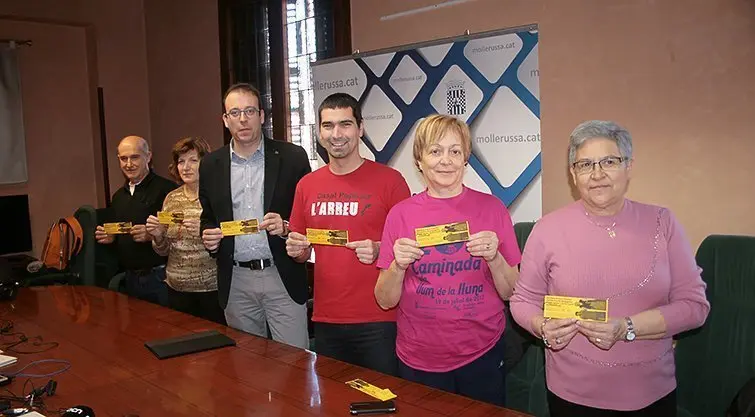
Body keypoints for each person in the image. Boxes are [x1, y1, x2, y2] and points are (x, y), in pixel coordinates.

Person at [509, 120, 711, 416]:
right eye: (585, 164)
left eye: (609, 161)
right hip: (571, 395)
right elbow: (522, 300)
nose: (597, 174)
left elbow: (695, 307)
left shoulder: (662, 222)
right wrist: (542, 326)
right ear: (573, 173)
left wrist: (626, 328)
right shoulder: (547, 229)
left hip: (651, 392)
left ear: (628, 166)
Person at [374, 114, 521, 406]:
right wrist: (397, 266)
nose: (446, 160)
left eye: (455, 151)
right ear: (419, 160)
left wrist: (494, 258)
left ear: (466, 159)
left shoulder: (492, 209)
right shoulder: (401, 215)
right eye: (435, 151)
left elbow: (511, 292)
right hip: (418, 358)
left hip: (482, 353)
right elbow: (385, 299)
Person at [286, 93, 411, 375]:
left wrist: (380, 249)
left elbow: (410, 247)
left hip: (380, 319)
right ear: (318, 131)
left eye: (345, 124)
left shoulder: (390, 181)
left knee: (384, 401)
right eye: (328, 126)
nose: (336, 134)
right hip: (326, 318)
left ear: (360, 128)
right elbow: (301, 248)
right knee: (334, 403)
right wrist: (298, 251)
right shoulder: (307, 185)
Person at [199, 83, 312, 348]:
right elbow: (208, 216)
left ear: (262, 115)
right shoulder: (211, 165)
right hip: (236, 280)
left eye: (249, 111)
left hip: (281, 274)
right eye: (235, 113)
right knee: (248, 369)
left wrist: (286, 226)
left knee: (295, 365)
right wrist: (209, 236)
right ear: (225, 120)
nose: (243, 119)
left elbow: (310, 216)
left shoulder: (292, 157)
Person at [145, 137, 225, 324]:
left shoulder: (217, 196)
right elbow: (164, 250)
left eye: (193, 160)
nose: (185, 167)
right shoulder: (171, 199)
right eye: (181, 161)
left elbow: (228, 242)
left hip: (211, 290)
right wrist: (157, 236)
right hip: (176, 289)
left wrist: (204, 230)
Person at [95, 136, 177, 305]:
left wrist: (153, 235)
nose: (128, 164)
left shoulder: (167, 191)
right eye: (123, 159)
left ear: (148, 157)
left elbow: (179, 231)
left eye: (134, 157)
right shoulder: (118, 197)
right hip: (130, 279)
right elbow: (122, 233)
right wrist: (111, 238)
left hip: (161, 277)